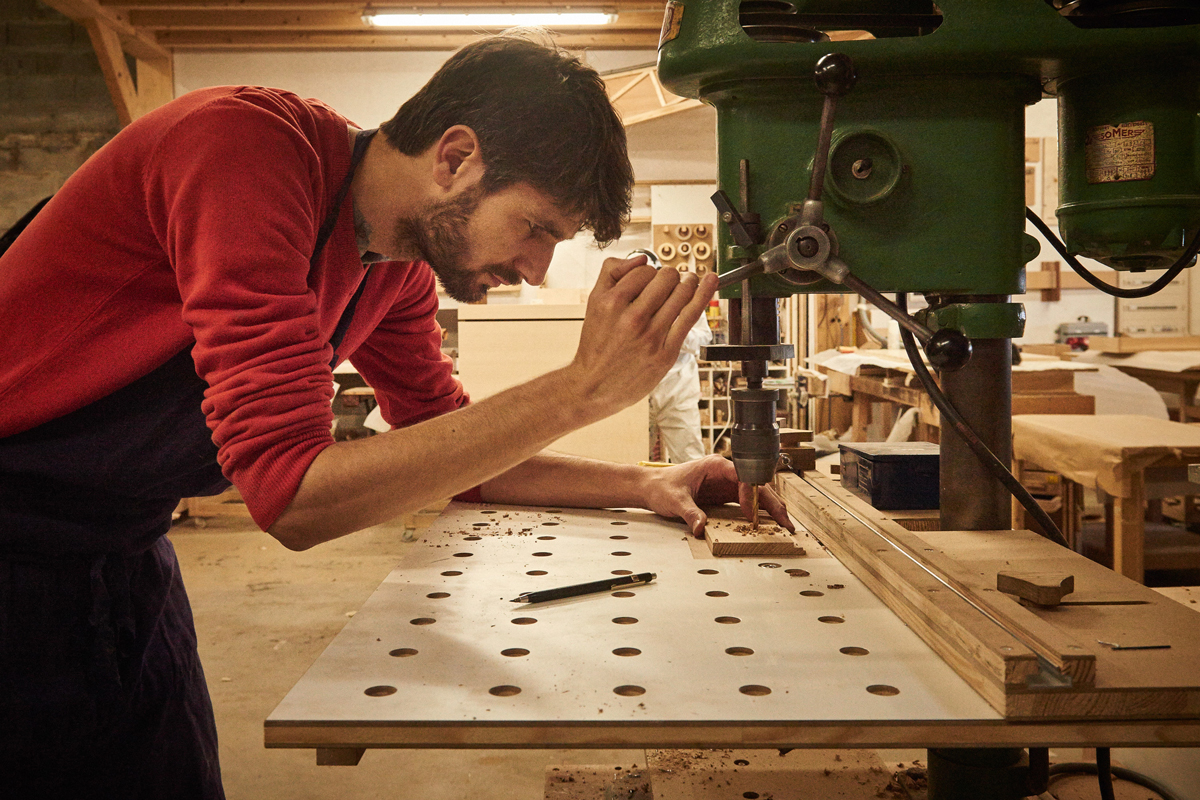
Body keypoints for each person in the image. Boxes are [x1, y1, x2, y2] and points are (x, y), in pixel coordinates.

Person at [0, 31, 791, 798]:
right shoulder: (242, 151)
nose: (537, 267)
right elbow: (293, 497)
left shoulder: (395, 272)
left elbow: (453, 457)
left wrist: (643, 483)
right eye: (536, 227)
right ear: (455, 158)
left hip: (123, 548)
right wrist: (581, 387)